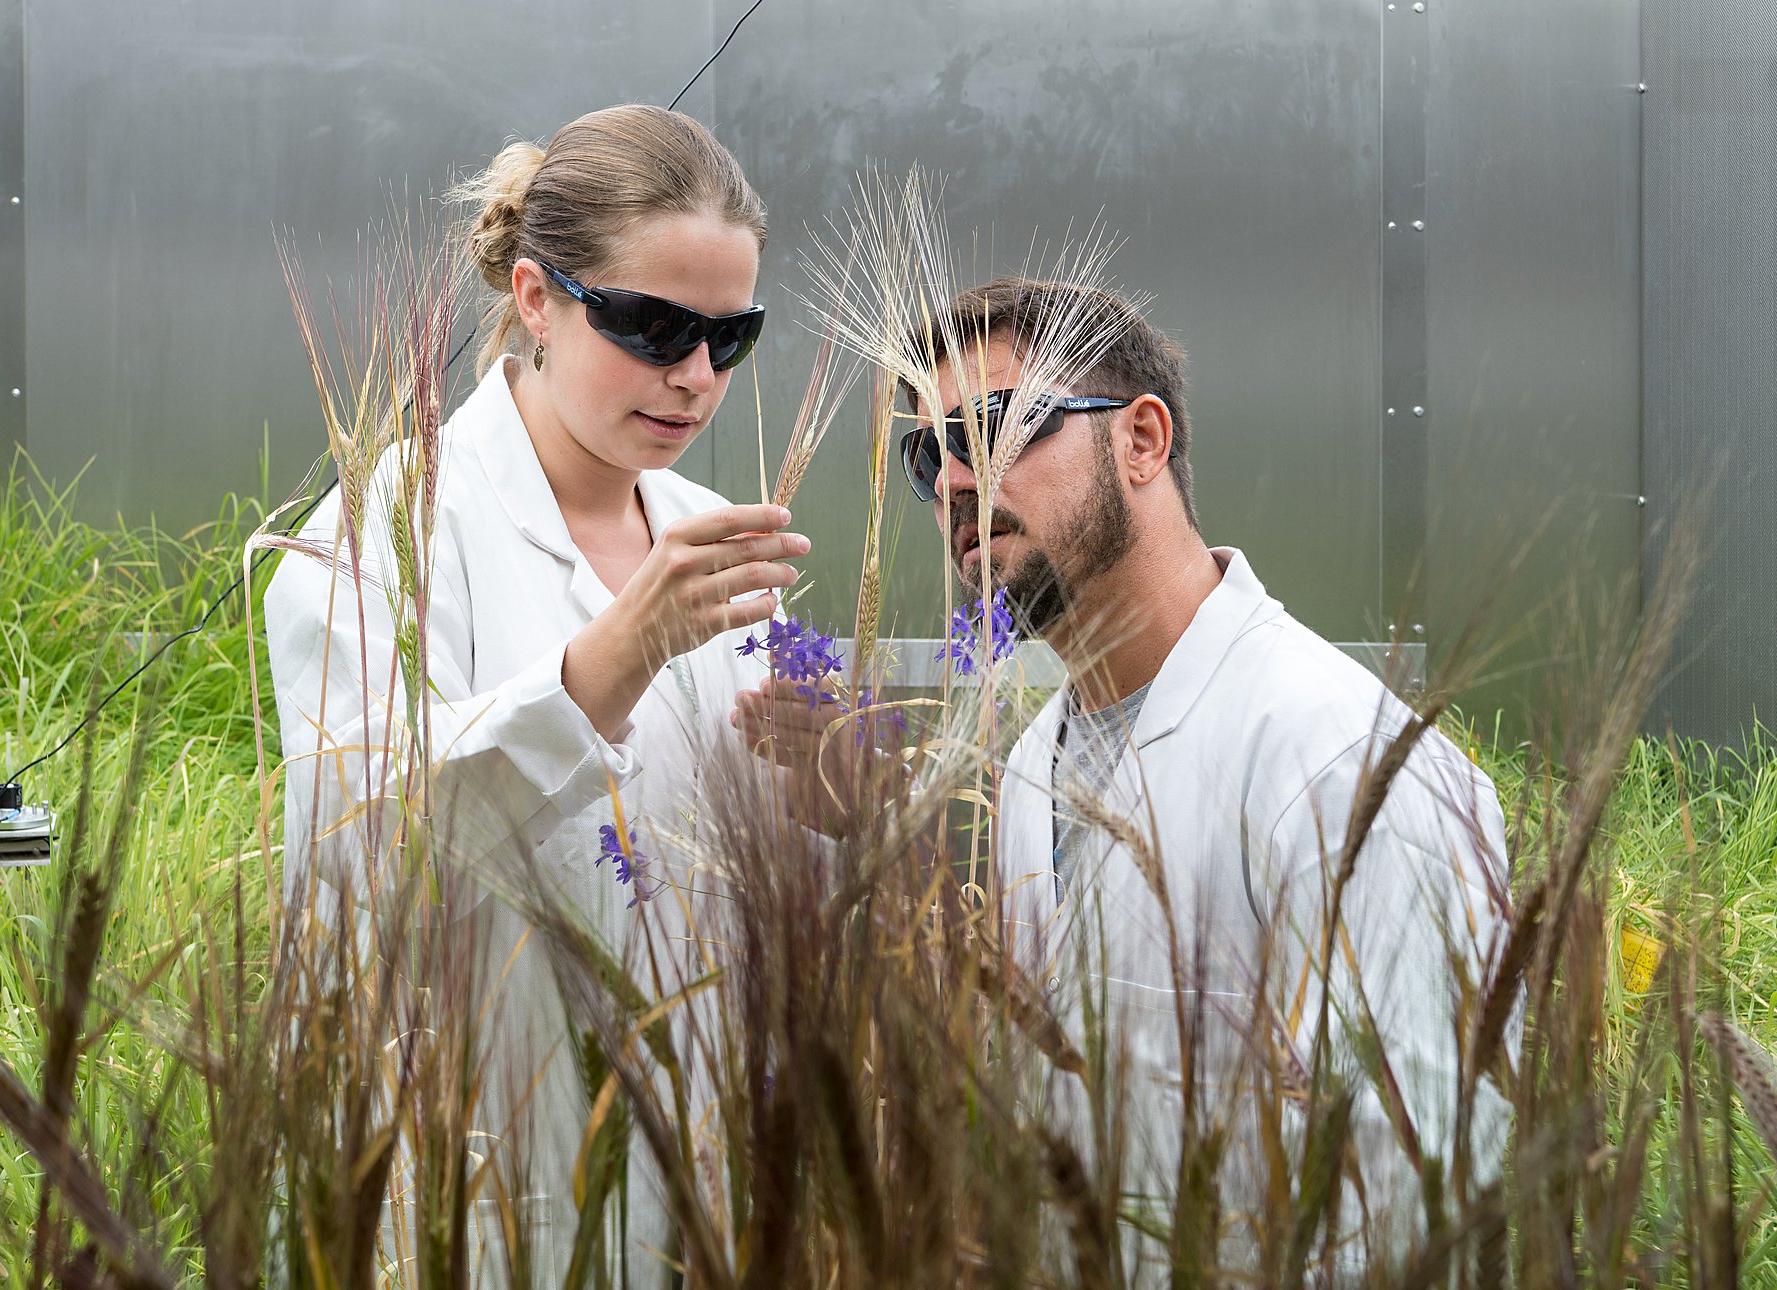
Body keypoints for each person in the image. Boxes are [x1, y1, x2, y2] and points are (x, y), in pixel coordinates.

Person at [264, 105, 802, 1285]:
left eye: (733, 336)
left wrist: (831, 793)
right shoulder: (384, 531)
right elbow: (353, 842)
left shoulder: (712, 537)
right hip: (472, 1160)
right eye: (654, 325)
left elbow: (737, 888)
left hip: (694, 1163)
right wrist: (606, 664)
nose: (696, 377)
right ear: (536, 296)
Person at [902, 277, 1513, 1275]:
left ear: (1142, 441)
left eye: (997, 426)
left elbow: (1424, 1197)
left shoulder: (1343, 763)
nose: (956, 481)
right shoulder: (1029, 767)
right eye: (929, 453)